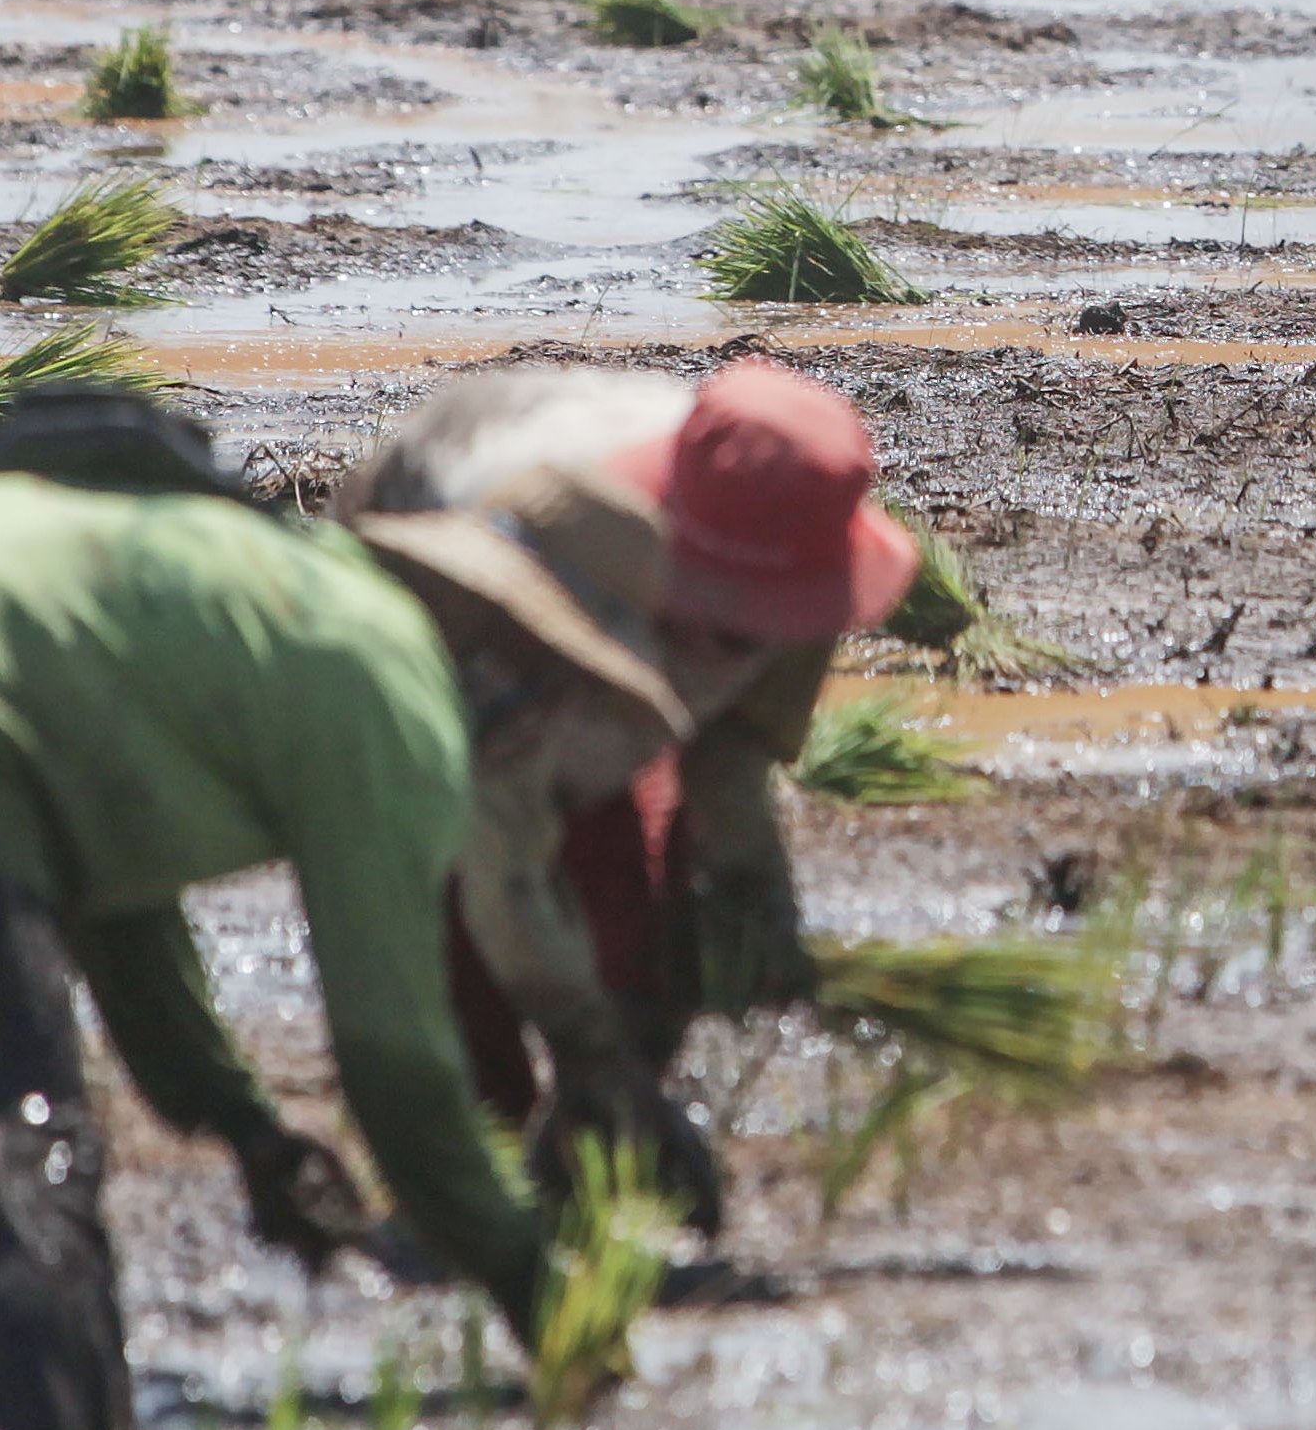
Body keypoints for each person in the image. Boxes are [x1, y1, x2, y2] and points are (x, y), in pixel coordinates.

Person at [0, 430, 689, 1430]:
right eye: (569, 679)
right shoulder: (386, 688)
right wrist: (545, 1300)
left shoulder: (283, 598)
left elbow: (121, 912)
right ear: (519, 642)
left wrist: (241, 1125)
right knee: (23, 1145)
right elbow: (396, 1059)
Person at [338, 357, 916, 1232]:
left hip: (597, 614)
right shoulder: (532, 555)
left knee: (643, 935)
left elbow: (729, 748)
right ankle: (466, 1187)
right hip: (434, 610)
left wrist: (756, 898)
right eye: (716, 621)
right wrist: (587, 1048)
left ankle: (585, 1145)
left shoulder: (797, 526)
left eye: (758, 622)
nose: (734, 647)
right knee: (457, 946)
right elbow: (501, 852)